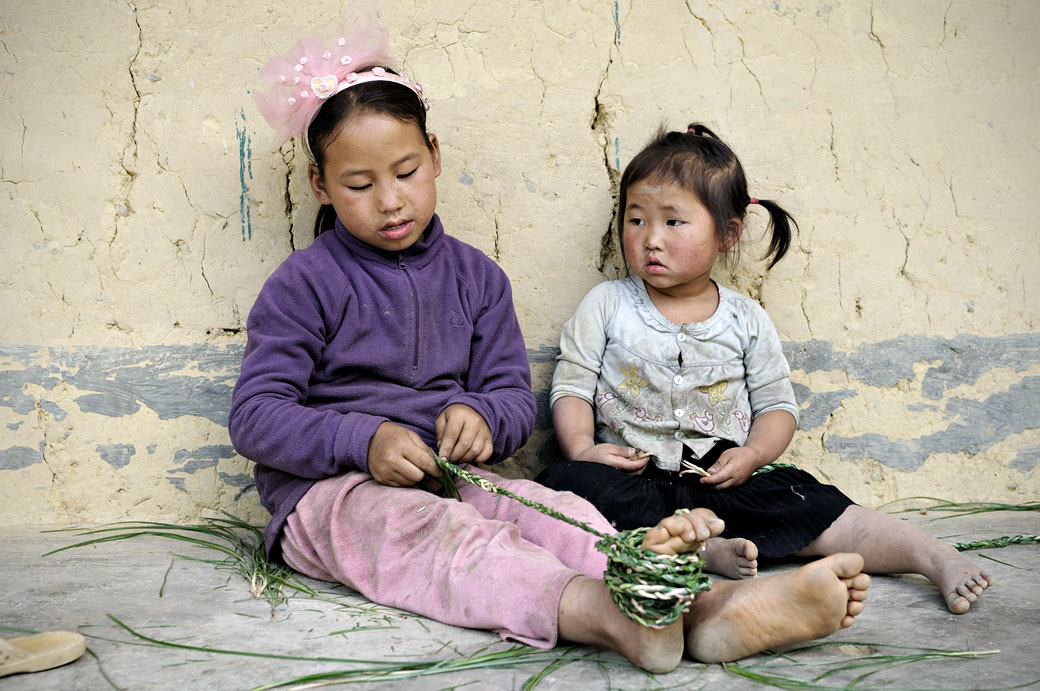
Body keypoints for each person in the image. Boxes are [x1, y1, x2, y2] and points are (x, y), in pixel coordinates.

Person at [231, 13, 870, 673]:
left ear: (437, 157)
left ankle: (696, 610)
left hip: (456, 475)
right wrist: (360, 441)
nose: (390, 201)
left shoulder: (476, 277)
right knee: (451, 542)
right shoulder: (305, 283)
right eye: (359, 186)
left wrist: (482, 419)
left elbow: (509, 395)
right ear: (321, 186)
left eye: (406, 172)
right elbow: (254, 416)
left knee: (552, 509)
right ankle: (611, 616)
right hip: (333, 496)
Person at [537, 123, 992, 613]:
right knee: (562, 492)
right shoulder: (606, 304)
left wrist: (753, 454)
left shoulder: (745, 318)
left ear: (728, 233)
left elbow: (777, 406)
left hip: (724, 480)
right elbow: (573, 385)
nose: (651, 239)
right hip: (631, 481)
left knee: (815, 506)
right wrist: (583, 449)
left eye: (673, 222)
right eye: (636, 219)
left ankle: (931, 555)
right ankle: (704, 551)